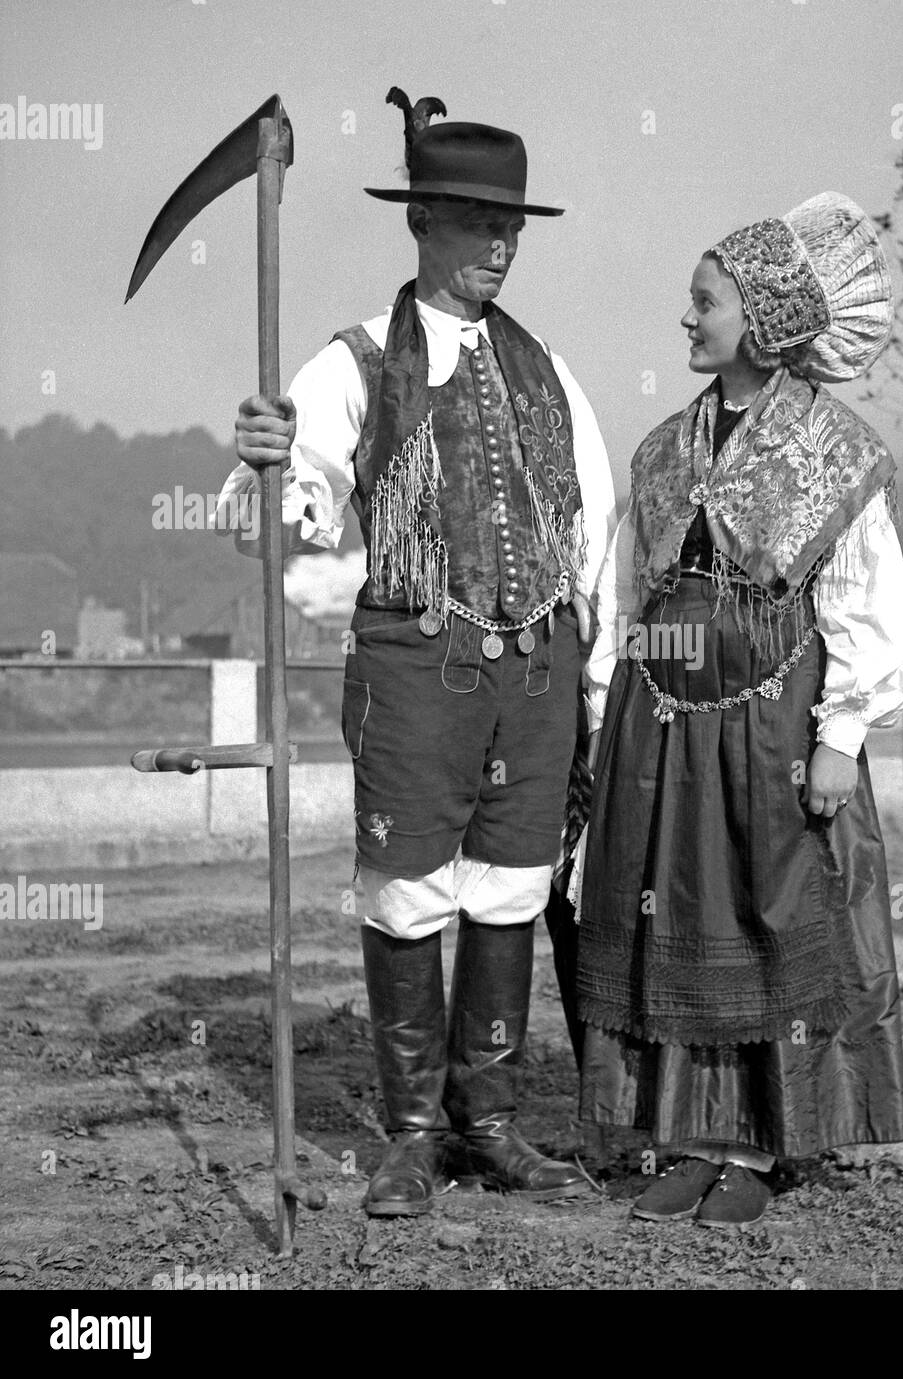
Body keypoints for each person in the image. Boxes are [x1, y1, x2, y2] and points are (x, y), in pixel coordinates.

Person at [220, 88, 616, 1215]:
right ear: (422, 224)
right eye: (477, 225)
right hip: (416, 664)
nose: (498, 247)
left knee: (507, 888)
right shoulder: (351, 365)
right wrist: (260, 461)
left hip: (537, 669)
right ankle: (408, 1134)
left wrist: (591, 670)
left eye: (512, 229)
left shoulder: (550, 371)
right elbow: (282, 513)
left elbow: (597, 533)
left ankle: (486, 1124)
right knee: (406, 890)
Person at [573, 192, 903, 1228]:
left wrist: (841, 736)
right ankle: (678, 1136)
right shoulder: (662, 448)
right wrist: (606, 709)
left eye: (705, 302)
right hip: (661, 727)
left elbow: (864, 600)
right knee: (667, 914)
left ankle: (762, 1145)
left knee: (769, 919)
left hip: (773, 727)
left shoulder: (832, 451)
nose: (687, 319)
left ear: (760, 320)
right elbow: (622, 590)